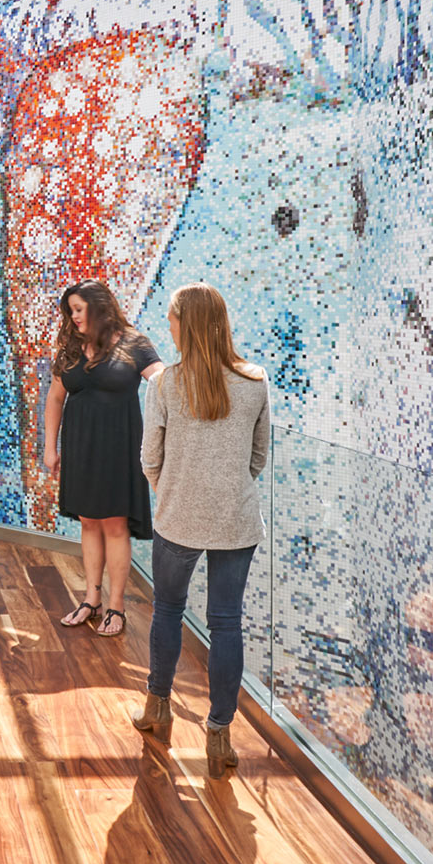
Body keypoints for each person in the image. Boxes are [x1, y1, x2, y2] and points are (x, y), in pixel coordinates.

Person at [130, 283, 269, 779]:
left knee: (167, 609)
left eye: (171, 320)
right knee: (226, 623)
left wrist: (174, 491)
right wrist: (223, 488)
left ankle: (158, 708)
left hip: (179, 517)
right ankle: (219, 734)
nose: (167, 328)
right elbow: (258, 458)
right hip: (236, 520)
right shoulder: (254, 382)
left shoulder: (165, 383)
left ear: (185, 326)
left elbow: (151, 459)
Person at [44, 279, 165, 638]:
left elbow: (163, 384)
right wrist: (51, 448)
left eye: (79, 309)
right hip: (81, 448)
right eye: (70, 310)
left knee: (115, 525)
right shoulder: (70, 346)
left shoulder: (135, 343)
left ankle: (117, 607)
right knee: (88, 523)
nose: (73, 316)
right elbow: (54, 398)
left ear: (99, 306)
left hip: (120, 449)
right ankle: (90, 601)